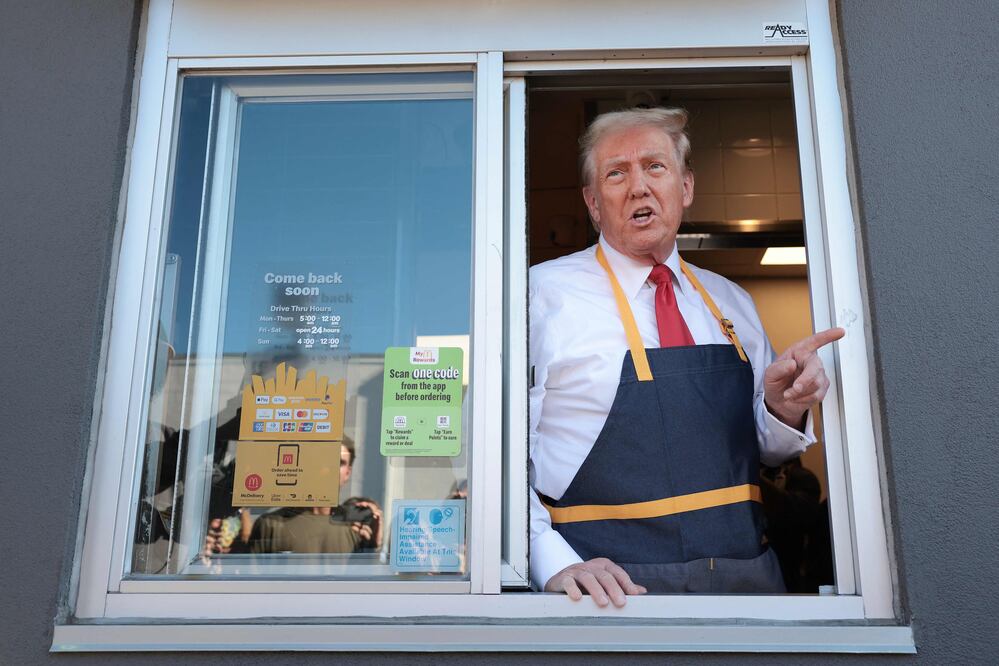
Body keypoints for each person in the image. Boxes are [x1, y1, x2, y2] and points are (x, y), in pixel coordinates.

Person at [529, 107, 844, 606]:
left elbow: (766, 450)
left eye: (655, 167)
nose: (638, 187)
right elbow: (497, 458)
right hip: (609, 595)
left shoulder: (731, 301)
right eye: (617, 173)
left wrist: (785, 408)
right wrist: (550, 558)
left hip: (748, 589)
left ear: (687, 188)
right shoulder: (539, 296)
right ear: (592, 203)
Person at [204, 437, 382, 556]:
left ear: (348, 472)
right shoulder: (271, 524)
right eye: (325, 460)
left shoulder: (357, 529)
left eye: (340, 463)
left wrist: (375, 547)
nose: (330, 468)